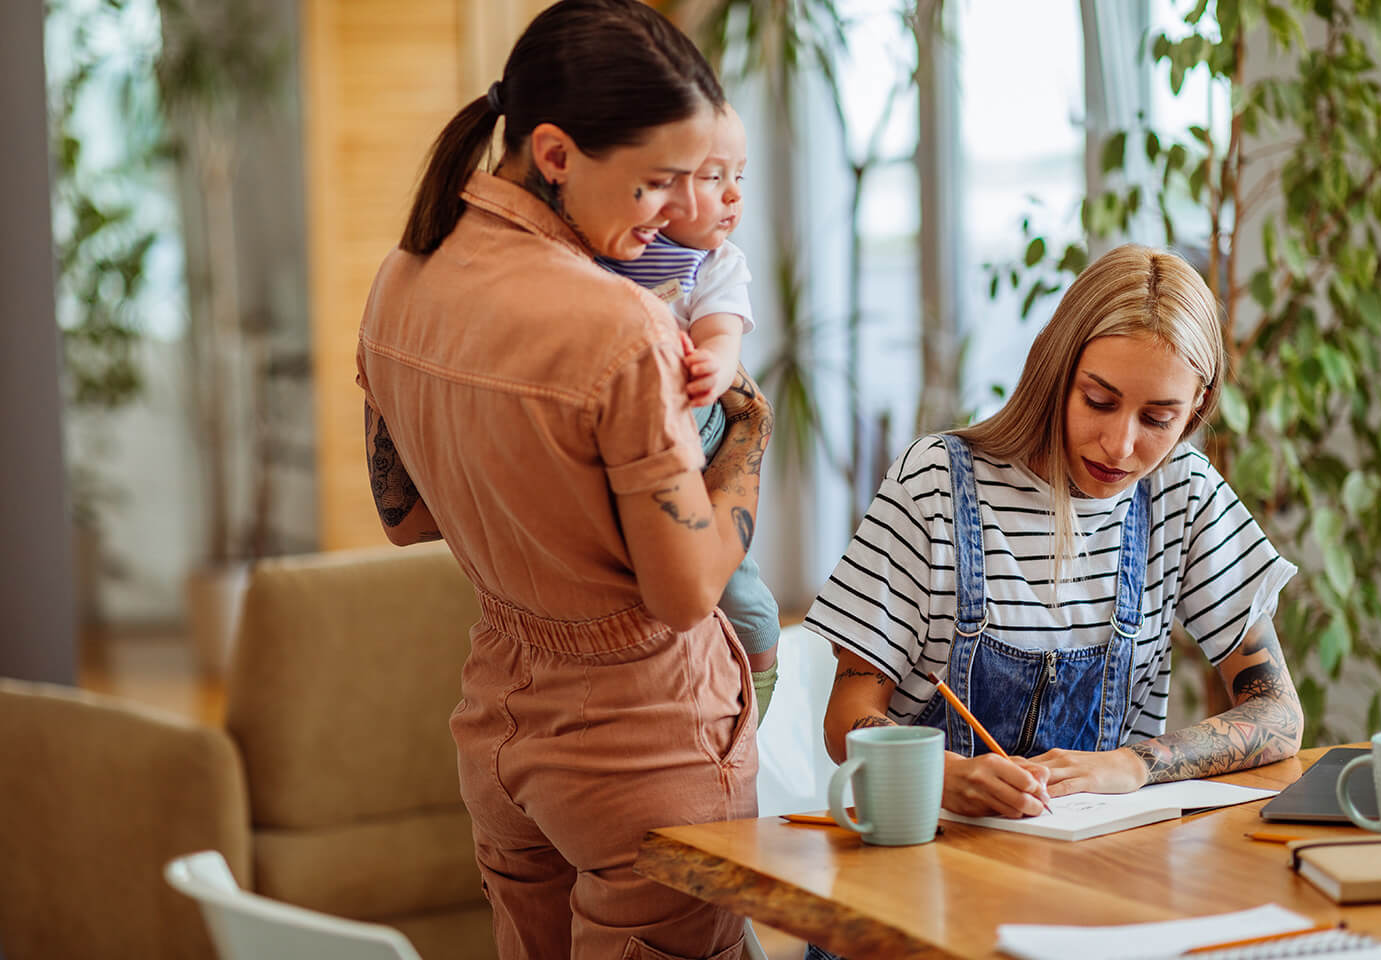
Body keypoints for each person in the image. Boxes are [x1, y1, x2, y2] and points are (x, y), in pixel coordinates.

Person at [355, 2, 772, 958]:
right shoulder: (618, 329)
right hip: (644, 749)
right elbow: (685, 592)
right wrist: (748, 423)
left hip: (500, 731)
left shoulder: (402, 276)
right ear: (555, 154)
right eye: (654, 184)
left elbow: (405, 516)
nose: (678, 211)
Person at [808, 243, 1304, 830]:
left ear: (1196, 405)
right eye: (1099, 400)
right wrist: (946, 775)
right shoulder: (936, 481)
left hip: (1100, 863)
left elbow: (1278, 716)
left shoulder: (1183, 494)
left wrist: (1135, 764)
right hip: (932, 849)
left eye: (1157, 419)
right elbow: (847, 717)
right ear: (1056, 371)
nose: (1120, 446)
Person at [598, 103, 783, 721]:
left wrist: (714, 362)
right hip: (626, 437)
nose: (733, 195)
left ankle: (756, 701)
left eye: (741, 177)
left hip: (698, 434)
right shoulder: (605, 253)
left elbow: (724, 335)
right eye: (712, 177)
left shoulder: (717, 263)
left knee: (747, 603)